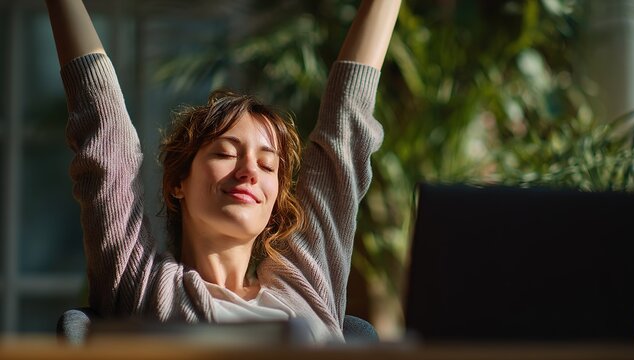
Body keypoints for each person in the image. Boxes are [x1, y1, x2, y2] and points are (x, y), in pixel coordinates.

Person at [45, 0, 401, 343]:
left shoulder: (306, 284)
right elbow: (105, 137)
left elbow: (345, 132)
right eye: (226, 153)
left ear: (275, 202)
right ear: (178, 182)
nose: (249, 171)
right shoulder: (145, 287)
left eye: (267, 165)